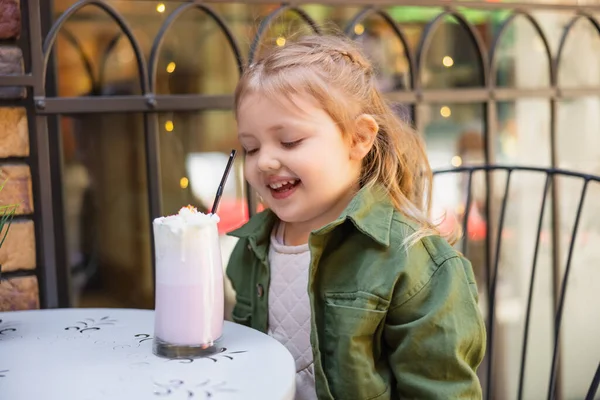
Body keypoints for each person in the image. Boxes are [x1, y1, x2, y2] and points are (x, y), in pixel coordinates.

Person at [226, 35, 486, 400]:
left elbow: (439, 390)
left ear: (359, 139)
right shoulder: (251, 247)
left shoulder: (415, 263)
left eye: (289, 142)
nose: (264, 161)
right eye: (251, 148)